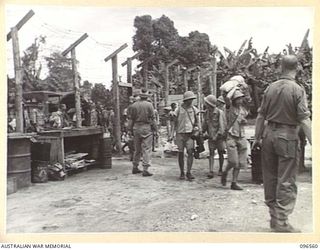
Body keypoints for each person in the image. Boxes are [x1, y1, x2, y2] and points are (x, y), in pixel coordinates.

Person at [252, 55, 311, 233]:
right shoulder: (297, 90)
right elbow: (304, 119)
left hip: (268, 134)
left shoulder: (270, 88)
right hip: (287, 136)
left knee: (269, 177)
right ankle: (282, 221)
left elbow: (261, 115)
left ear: (281, 67)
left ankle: (273, 217)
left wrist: (256, 138)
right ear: (297, 68)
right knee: (286, 179)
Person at [221, 90, 248, 190]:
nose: (240, 100)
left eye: (241, 98)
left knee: (240, 162)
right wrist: (234, 88)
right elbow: (227, 98)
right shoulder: (230, 108)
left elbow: (244, 120)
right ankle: (225, 172)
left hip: (241, 136)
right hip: (231, 136)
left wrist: (244, 122)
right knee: (233, 161)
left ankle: (234, 182)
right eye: (238, 98)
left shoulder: (243, 110)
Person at [128, 88, 158, 177]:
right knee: (146, 149)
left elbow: (131, 119)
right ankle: (145, 169)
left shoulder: (133, 105)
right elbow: (152, 119)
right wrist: (155, 129)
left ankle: (135, 166)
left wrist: (130, 130)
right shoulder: (149, 105)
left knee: (137, 149)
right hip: (146, 127)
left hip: (136, 127)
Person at [171, 91, 199, 181]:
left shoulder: (194, 109)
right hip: (180, 133)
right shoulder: (178, 109)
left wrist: (197, 128)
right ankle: (182, 172)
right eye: (189, 100)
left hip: (190, 134)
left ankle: (189, 172)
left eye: (191, 100)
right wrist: (172, 134)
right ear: (185, 100)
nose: (190, 101)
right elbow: (174, 121)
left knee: (190, 152)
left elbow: (197, 121)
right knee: (180, 153)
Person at [202, 95, 226, 179]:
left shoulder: (220, 113)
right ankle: (211, 170)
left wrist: (217, 135)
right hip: (211, 136)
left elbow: (222, 126)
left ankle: (220, 169)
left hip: (219, 137)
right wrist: (202, 132)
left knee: (221, 152)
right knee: (211, 153)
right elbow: (205, 124)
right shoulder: (206, 113)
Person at [216, 96, 227, 176]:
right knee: (220, 152)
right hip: (218, 132)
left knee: (221, 151)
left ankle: (222, 168)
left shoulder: (226, 111)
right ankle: (220, 168)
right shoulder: (217, 110)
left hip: (224, 132)